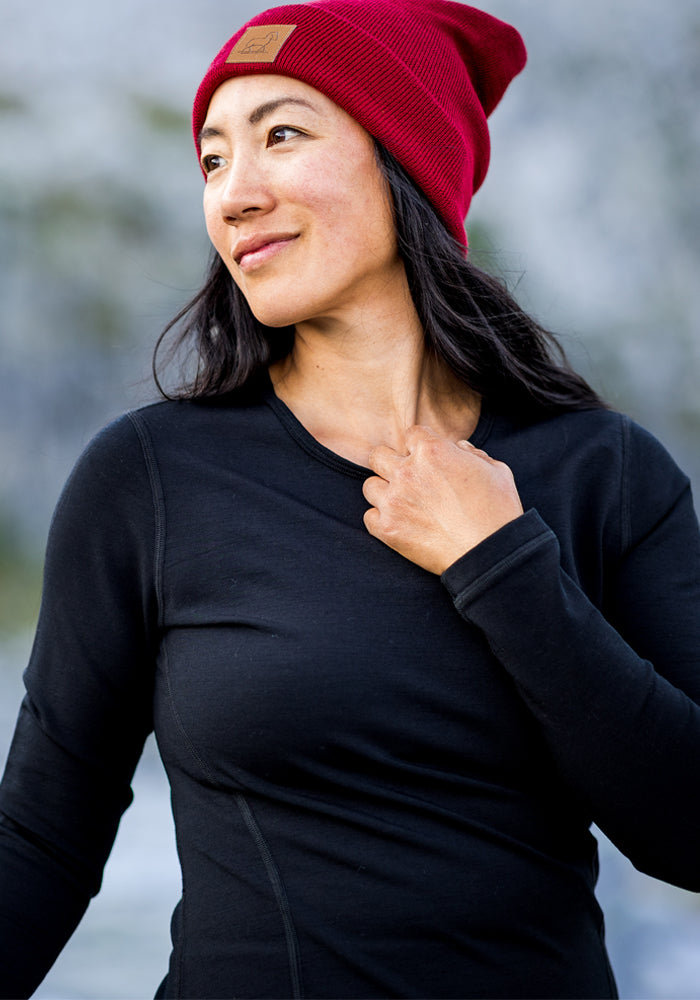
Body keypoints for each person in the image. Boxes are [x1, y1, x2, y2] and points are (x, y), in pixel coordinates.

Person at [1, 0, 699, 997]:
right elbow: (39, 832)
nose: (234, 193)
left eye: (281, 134)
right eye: (211, 160)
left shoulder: (605, 471)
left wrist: (501, 563)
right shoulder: (148, 476)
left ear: (403, 159)